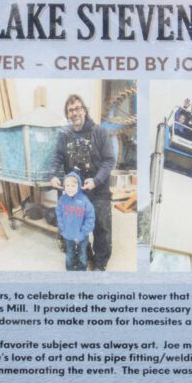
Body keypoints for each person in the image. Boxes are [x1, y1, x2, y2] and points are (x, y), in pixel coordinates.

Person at [49, 94, 116, 270]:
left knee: (101, 227)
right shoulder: (64, 135)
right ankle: (86, 256)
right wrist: (53, 174)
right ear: (67, 114)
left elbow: (109, 160)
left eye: (78, 108)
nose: (75, 113)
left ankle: (100, 264)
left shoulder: (99, 132)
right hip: (75, 192)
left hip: (98, 189)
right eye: (70, 110)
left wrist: (96, 180)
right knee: (77, 226)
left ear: (85, 111)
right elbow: (57, 156)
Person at [56, 171, 96, 271]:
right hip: (68, 234)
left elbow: (90, 218)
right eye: (67, 185)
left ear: (79, 186)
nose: (69, 188)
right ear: (64, 186)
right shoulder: (62, 199)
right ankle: (69, 267)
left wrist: (83, 232)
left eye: (73, 186)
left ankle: (81, 268)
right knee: (69, 253)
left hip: (82, 235)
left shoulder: (84, 200)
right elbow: (59, 213)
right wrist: (62, 227)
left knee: (82, 253)